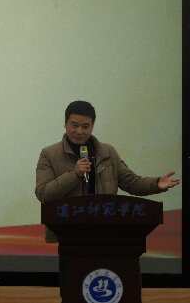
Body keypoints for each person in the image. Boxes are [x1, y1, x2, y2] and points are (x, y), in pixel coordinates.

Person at [35, 100, 180, 243]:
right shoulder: (49, 154)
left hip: (106, 232)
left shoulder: (107, 152)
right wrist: (75, 174)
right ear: (65, 124)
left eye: (85, 126)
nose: (79, 131)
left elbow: (131, 183)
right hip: (68, 236)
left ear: (92, 127)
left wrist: (156, 183)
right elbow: (43, 193)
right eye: (74, 125)